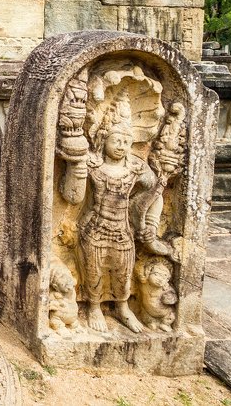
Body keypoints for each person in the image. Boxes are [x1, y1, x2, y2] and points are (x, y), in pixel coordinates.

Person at [77, 92, 154, 333]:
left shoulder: (136, 167)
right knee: (93, 270)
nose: (121, 146)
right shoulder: (94, 166)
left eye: (125, 142)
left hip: (123, 230)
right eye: (116, 140)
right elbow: (73, 194)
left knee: (123, 272)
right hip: (95, 228)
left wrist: (148, 220)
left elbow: (154, 189)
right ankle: (94, 306)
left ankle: (122, 307)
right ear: (103, 140)